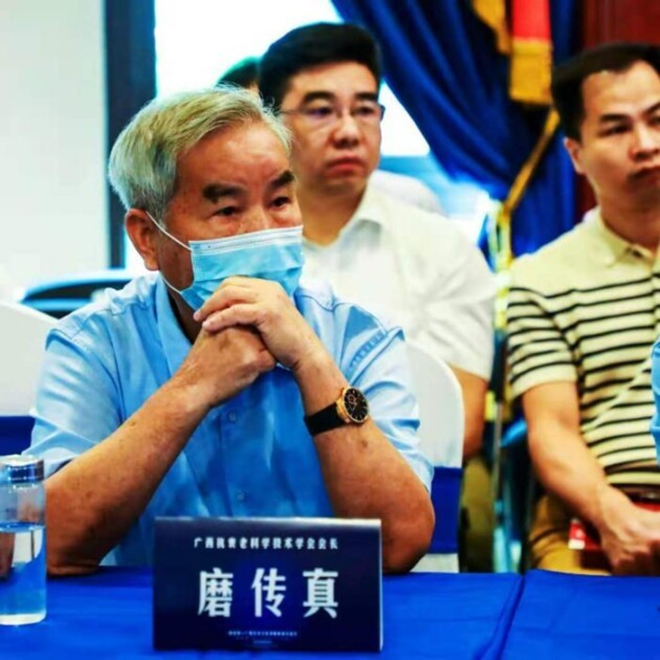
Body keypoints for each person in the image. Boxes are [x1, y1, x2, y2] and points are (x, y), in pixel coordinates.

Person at [28, 88, 434, 575]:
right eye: (227, 210)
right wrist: (191, 388)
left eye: (280, 200)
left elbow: (400, 545)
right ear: (148, 237)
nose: (262, 229)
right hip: (150, 620)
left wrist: (312, 362)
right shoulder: (95, 345)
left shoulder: (358, 337)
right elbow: (44, 546)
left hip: (319, 609)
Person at [259, 23, 495, 461]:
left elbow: (457, 425)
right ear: (271, 123)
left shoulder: (443, 249)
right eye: (321, 111)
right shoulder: (243, 251)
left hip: (407, 483)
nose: (349, 131)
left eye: (365, 109)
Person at [507, 43, 660, 575]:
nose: (646, 145)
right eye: (617, 129)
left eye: (657, 120)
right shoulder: (542, 278)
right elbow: (552, 430)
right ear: (576, 153)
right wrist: (613, 514)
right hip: (598, 515)